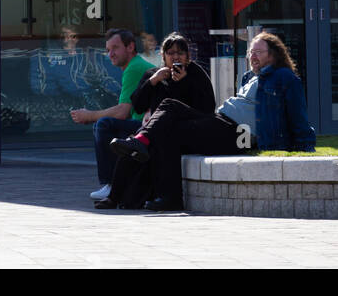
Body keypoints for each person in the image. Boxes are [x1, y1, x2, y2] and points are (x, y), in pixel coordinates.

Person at [110, 32, 315, 212]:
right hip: (220, 122)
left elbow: (298, 115)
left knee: (170, 106)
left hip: (237, 133)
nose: (252, 56)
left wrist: (305, 146)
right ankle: (168, 197)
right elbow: (136, 104)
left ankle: (142, 141)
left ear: (273, 55)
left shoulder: (284, 77)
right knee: (168, 131)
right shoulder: (249, 77)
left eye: (259, 52)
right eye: (250, 52)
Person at [97, 32, 216, 210]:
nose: (176, 57)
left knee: (160, 143)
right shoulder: (153, 75)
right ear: (163, 56)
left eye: (180, 53)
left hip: (187, 129)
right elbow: (137, 105)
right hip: (155, 131)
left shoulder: (195, 73)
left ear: (187, 56)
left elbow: (207, 107)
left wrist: (183, 82)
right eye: (171, 53)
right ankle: (114, 197)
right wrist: (153, 81)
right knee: (130, 149)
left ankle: (166, 197)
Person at [70, 27, 154, 205]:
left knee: (103, 125)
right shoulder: (135, 65)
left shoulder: (134, 67)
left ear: (130, 47)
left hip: (147, 128)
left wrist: (89, 115)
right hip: (144, 125)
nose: (110, 54)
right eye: (108, 50)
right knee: (103, 125)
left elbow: (123, 111)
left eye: (115, 48)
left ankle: (110, 184)